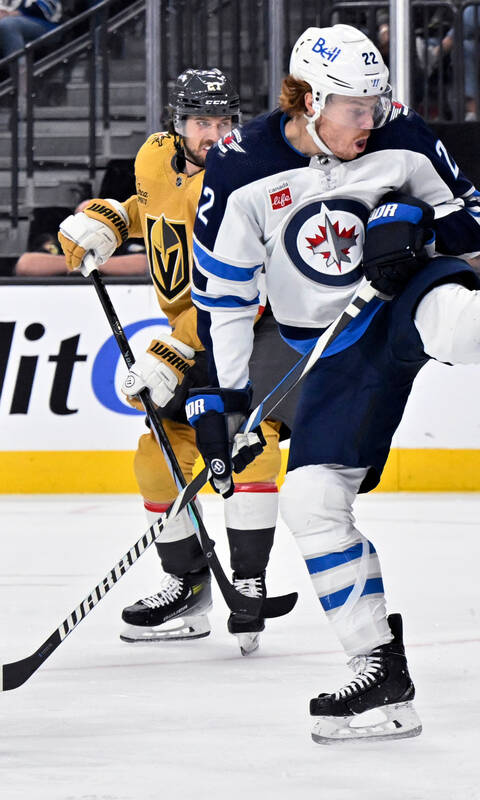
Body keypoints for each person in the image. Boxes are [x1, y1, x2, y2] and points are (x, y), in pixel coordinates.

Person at [189, 24, 480, 744]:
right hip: (333, 347)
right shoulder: (238, 167)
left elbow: (472, 225)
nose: (370, 122)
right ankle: (379, 676)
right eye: (355, 109)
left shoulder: (399, 134)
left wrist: (407, 227)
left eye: (375, 105)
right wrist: (227, 407)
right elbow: (221, 301)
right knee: (311, 502)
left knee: (458, 325)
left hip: (406, 294)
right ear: (309, 100)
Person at [55, 69, 296, 655]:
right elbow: (150, 208)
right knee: (158, 459)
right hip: (188, 331)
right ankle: (188, 585)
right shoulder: (154, 156)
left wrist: (176, 350)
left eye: (222, 123)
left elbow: (247, 291)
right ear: (177, 124)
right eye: (201, 123)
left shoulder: (248, 178)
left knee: (247, 446)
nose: (213, 135)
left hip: (252, 335)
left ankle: (248, 577)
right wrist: (110, 221)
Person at [15, 206, 147, 276]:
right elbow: (25, 264)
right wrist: (76, 264)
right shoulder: (63, 244)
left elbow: (146, 264)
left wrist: (91, 265)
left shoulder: (116, 244)